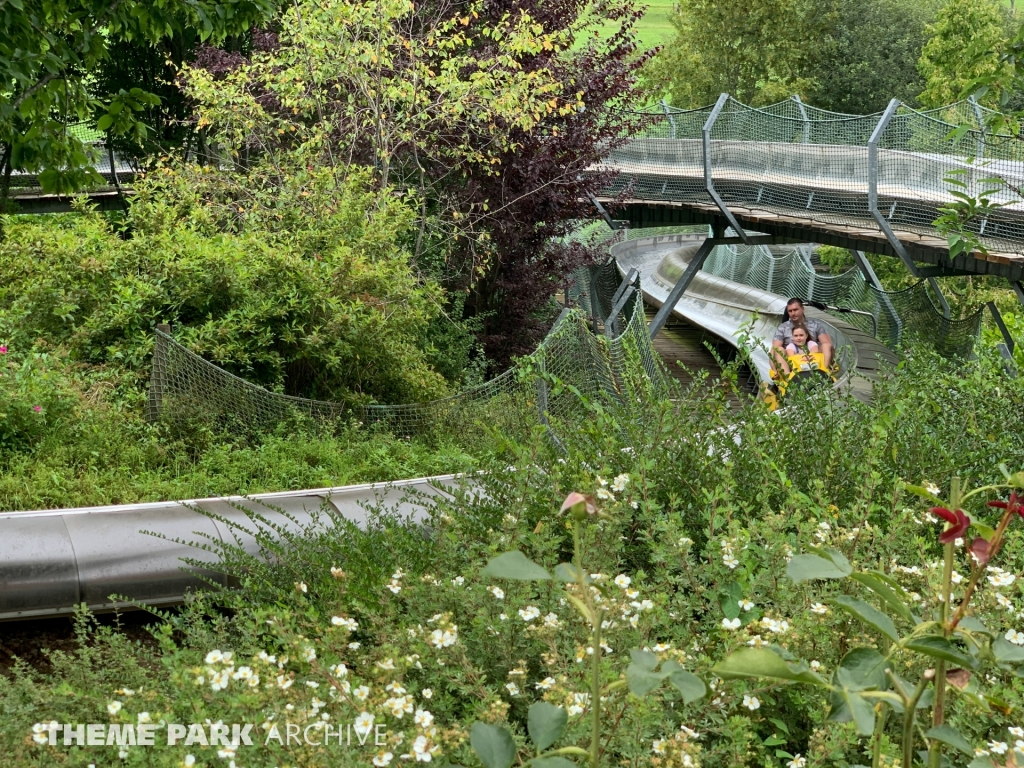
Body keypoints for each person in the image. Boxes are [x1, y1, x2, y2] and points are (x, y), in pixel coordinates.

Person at [771, 298, 833, 375]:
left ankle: (824, 371)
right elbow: (774, 349)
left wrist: (811, 355)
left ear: (802, 309)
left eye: (795, 310)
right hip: (792, 360)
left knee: (827, 345)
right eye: (790, 311)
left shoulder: (815, 325)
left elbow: (827, 344)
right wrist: (774, 370)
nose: (793, 313)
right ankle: (788, 377)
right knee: (778, 349)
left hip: (814, 357)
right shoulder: (783, 327)